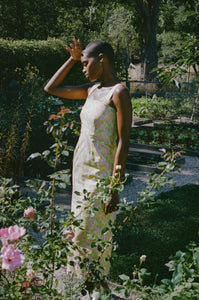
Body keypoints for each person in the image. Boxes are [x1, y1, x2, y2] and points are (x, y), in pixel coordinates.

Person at [44, 38, 132, 296]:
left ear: (102, 58)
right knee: (79, 237)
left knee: (91, 237)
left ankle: (94, 290)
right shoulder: (92, 89)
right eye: (80, 64)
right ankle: (95, 291)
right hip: (80, 175)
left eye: (85, 63)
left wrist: (114, 188)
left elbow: (123, 143)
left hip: (101, 178)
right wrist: (71, 59)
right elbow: (51, 88)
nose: (83, 68)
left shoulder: (118, 93)